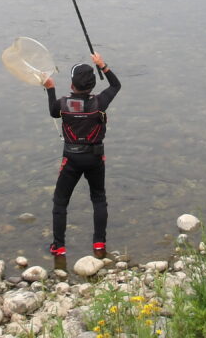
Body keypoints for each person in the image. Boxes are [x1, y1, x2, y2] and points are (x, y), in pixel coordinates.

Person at [43, 52, 121, 259]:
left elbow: (52, 111)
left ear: (71, 86)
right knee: (98, 198)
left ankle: (59, 246)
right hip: (95, 158)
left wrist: (50, 88)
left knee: (60, 201)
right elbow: (115, 85)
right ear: (93, 86)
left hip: (72, 159)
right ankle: (99, 243)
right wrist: (103, 65)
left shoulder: (63, 104)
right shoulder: (100, 102)